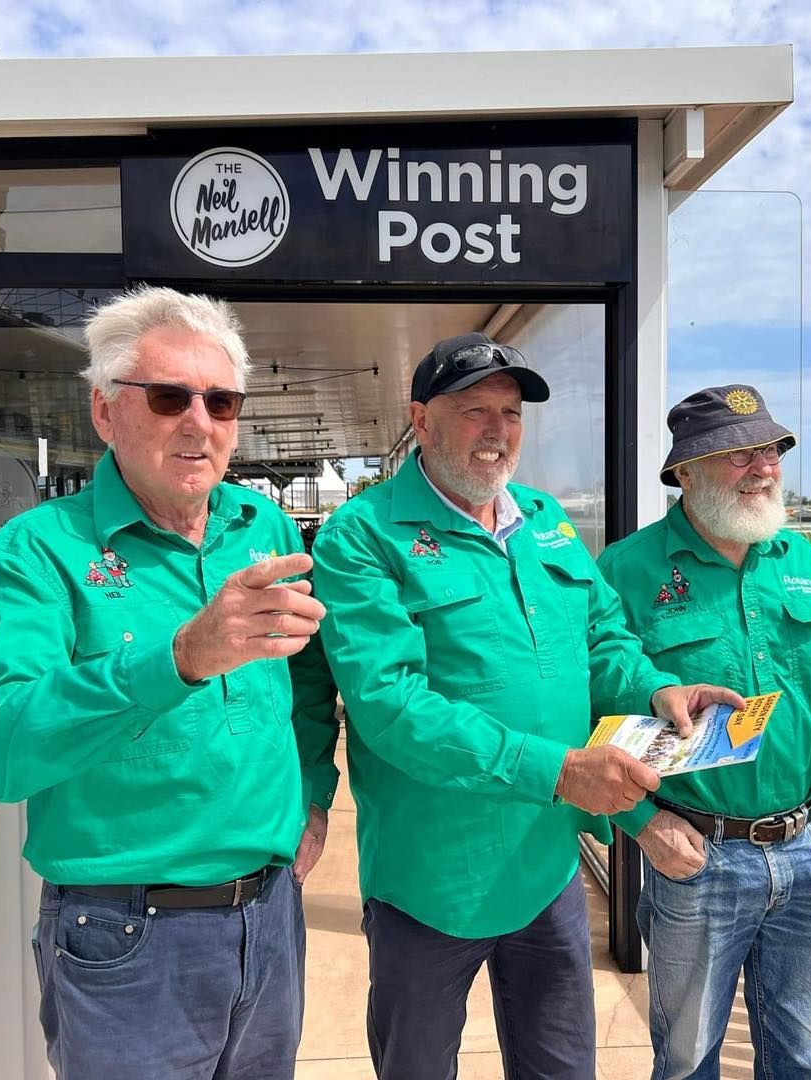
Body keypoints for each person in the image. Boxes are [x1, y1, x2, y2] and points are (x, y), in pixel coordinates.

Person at [311, 332, 742, 1080]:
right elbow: (390, 706)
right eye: (474, 410)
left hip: (546, 870)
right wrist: (559, 769)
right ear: (421, 420)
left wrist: (656, 689)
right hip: (430, 879)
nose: (498, 431)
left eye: (510, 413)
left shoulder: (544, 518)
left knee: (561, 1069)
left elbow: (602, 635)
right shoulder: (363, 534)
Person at [0, 286, 340, 1080]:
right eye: (169, 397)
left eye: (222, 401)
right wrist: (177, 659)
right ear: (105, 412)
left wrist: (311, 792)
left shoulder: (259, 524)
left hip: (268, 918)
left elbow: (303, 679)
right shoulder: (37, 553)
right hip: (127, 933)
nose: (200, 423)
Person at [596, 385, 811, 1079]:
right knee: (689, 1060)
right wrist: (642, 824)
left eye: (770, 450)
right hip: (696, 856)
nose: (763, 467)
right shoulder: (625, 573)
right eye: (736, 454)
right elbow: (588, 716)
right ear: (684, 473)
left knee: (807, 1060)